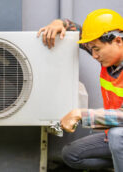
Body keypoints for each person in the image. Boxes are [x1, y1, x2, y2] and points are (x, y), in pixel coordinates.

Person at [37, 9, 123, 172]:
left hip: (119, 134)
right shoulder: (111, 59)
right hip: (115, 137)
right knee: (72, 154)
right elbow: (78, 30)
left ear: (118, 41)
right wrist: (61, 23)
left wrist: (80, 114)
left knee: (117, 135)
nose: (94, 55)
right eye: (91, 49)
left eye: (96, 49)